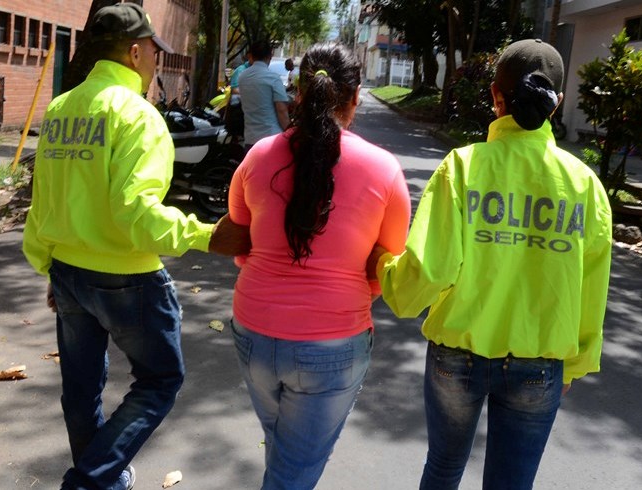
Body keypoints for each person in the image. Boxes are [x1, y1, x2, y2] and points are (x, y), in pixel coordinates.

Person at [22, 4, 249, 489]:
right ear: (133, 51)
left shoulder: (60, 111)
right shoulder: (139, 117)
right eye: (152, 52)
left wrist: (49, 267)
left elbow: (43, 202)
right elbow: (137, 217)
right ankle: (89, 481)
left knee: (80, 390)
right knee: (160, 380)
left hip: (67, 271)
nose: (154, 62)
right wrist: (206, 235)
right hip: (127, 279)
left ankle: (99, 477)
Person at [372, 39, 613, 489]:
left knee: (443, 468)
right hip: (540, 366)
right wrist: (575, 365)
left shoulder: (463, 167)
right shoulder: (585, 185)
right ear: (556, 103)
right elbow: (591, 288)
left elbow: (429, 270)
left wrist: (387, 271)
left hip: (456, 358)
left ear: (495, 95)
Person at [227, 42, 411, 489]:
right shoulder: (383, 169)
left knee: (283, 452)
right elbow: (383, 268)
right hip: (333, 344)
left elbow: (240, 244)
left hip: (253, 332)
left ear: (300, 91)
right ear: (356, 95)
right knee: (293, 473)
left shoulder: (259, 156)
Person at [237, 39, 291, 149]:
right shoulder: (273, 78)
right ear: (270, 57)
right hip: (271, 139)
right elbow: (282, 111)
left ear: (251, 56)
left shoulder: (242, 77)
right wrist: (290, 134)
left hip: (250, 139)